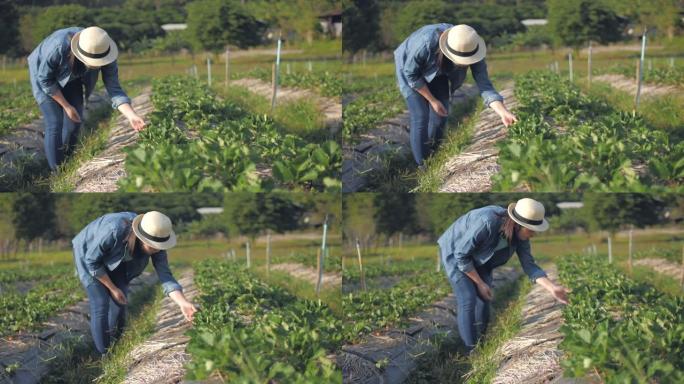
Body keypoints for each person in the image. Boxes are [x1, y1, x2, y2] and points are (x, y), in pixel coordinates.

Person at [437, 198, 571, 353]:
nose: (533, 234)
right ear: (518, 225)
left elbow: (529, 265)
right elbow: (461, 255)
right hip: (456, 253)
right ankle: (471, 352)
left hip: (482, 258)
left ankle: (481, 343)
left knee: (484, 299)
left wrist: (552, 287)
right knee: (468, 298)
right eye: (531, 230)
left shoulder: (520, 237)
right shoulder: (487, 222)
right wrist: (480, 283)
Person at [72, 210, 197, 355]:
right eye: (152, 247)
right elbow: (92, 261)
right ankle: (104, 356)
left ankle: (115, 347)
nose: (155, 251)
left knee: (120, 304)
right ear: (140, 237)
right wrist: (113, 288)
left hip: (119, 258)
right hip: (89, 254)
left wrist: (183, 302)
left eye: (158, 247)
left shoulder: (158, 242)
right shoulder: (114, 230)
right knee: (100, 303)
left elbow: (165, 275)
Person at [394, 24, 517, 167]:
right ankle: (423, 165)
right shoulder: (426, 43)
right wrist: (432, 100)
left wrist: (503, 112)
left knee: (441, 115)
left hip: (440, 70)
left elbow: (485, 85)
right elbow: (411, 74)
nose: (466, 64)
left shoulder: (471, 46)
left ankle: (434, 155)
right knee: (420, 115)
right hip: (410, 69)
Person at [28, 26, 146, 171]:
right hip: (44, 77)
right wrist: (66, 106)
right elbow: (45, 80)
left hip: (73, 77)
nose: (97, 66)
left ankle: (67, 161)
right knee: (55, 122)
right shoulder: (58, 47)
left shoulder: (103, 49)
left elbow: (114, 89)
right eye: (94, 63)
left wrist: (131, 115)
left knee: (74, 123)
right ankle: (57, 171)